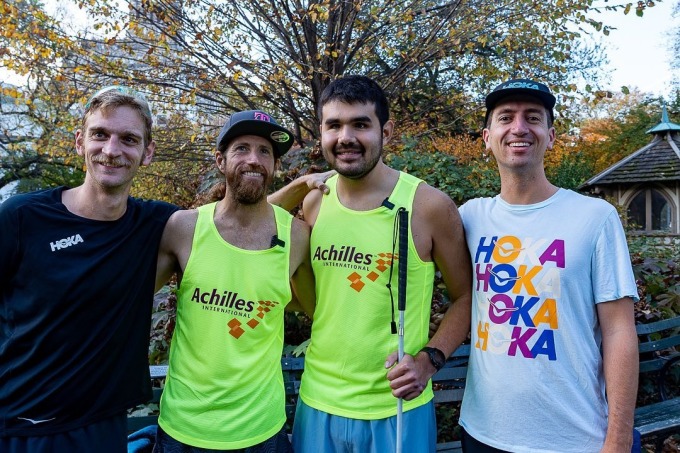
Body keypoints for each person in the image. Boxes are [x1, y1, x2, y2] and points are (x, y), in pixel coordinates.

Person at [291, 75, 472, 452]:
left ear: (386, 132)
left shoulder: (429, 206)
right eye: (334, 125)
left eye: (360, 124)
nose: (346, 137)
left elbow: (468, 298)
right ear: (321, 133)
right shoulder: (314, 204)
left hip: (396, 408)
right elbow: (312, 300)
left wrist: (430, 360)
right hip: (318, 401)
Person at [457, 79, 640, 452]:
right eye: (506, 117)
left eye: (533, 118)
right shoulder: (469, 217)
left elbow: (619, 331)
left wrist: (619, 438)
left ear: (551, 136)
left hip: (575, 438)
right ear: (487, 137)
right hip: (482, 433)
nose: (519, 128)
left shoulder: (595, 217)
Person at [0, 86, 179, 452]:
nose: (111, 150)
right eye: (100, 134)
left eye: (128, 139)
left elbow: (227, 224)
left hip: (100, 428)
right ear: (80, 142)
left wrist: (302, 186)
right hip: (18, 428)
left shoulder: (155, 223)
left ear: (147, 153)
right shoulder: (21, 217)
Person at [153, 110, 316, 452]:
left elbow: (317, 308)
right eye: (242, 148)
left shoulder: (298, 236)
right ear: (220, 160)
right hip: (185, 428)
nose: (254, 160)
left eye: (264, 152)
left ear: (274, 166)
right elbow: (129, 301)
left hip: (262, 430)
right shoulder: (184, 228)